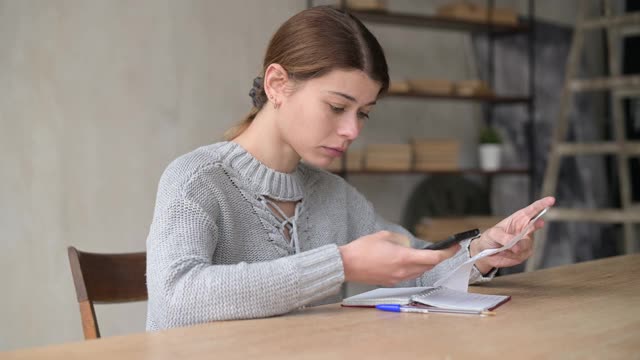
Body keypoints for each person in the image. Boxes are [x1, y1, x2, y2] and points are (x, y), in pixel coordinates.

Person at [145, 6, 555, 331]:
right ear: (276, 84)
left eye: (364, 114)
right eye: (337, 107)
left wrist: (484, 252)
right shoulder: (197, 179)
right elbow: (176, 294)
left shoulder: (333, 195)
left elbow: (416, 267)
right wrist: (340, 263)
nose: (351, 130)